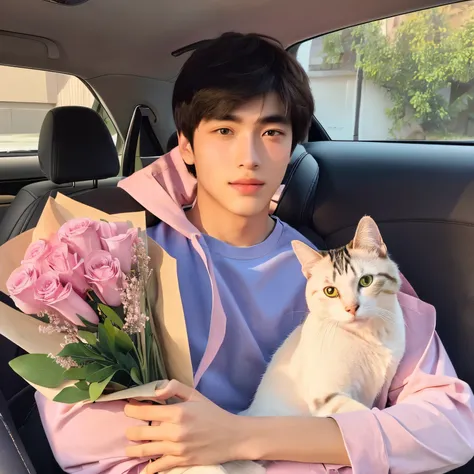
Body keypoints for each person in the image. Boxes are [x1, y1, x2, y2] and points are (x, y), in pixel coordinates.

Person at [35, 32, 474, 474]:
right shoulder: (122, 271)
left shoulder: (336, 274)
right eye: (224, 130)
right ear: (186, 146)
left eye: (271, 131)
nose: (249, 157)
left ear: (291, 146)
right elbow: (80, 434)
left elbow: (452, 427)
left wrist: (240, 435)